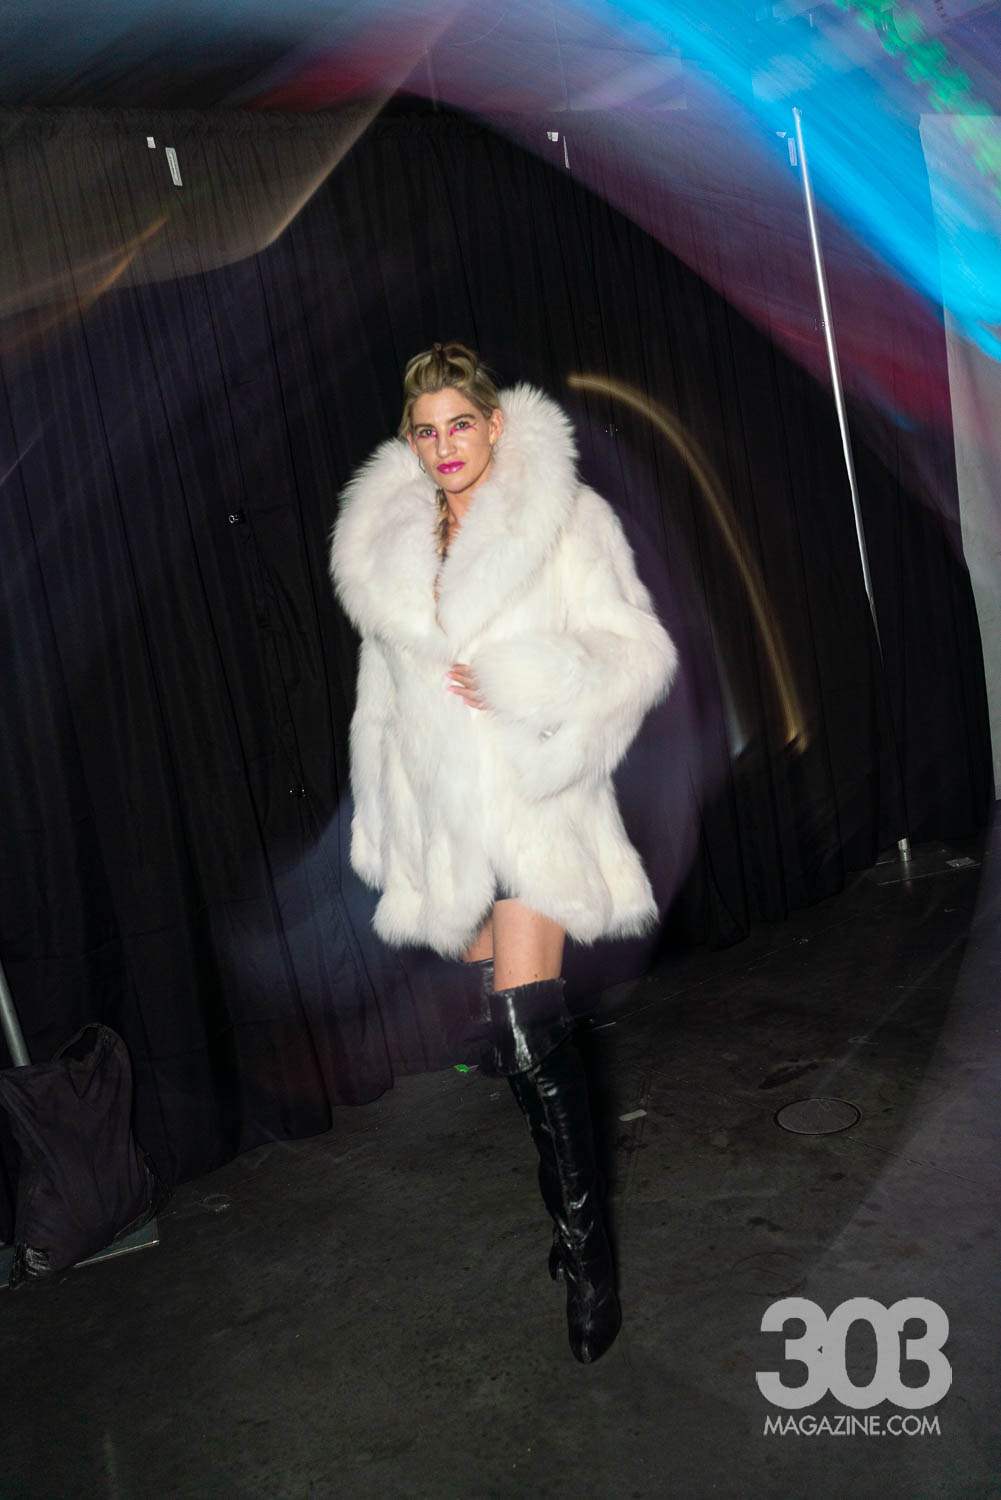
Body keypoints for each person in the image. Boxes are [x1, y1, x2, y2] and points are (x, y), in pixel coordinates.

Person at [330, 341, 677, 1362]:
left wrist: (531, 677)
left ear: (492, 424)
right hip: (447, 829)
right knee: (512, 1042)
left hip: (535, 802)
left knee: (528, 1030)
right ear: (409, 440)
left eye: (460, 425)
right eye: (425, 431)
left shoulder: (563, 518)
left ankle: (589, 1256)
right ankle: (566, 1209)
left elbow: (636, 652)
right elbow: (378, 710)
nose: (444, 446)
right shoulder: (385, 548)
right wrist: (388, 834)